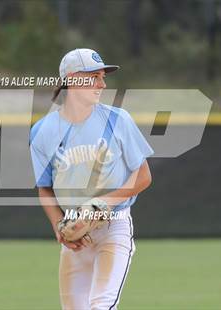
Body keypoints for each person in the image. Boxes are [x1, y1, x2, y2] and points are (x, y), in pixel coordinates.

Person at [30, 48, 153, 309]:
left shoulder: (118, 119)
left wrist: (103, 203)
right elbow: (45, 190)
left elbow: (143, 175)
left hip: (114, 227)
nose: (102, 83)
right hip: (75, 232)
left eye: (102, 76)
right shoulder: (42, 131)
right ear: (73, 79)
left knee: (101, 306)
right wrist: (59, 228)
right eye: (95, 76)